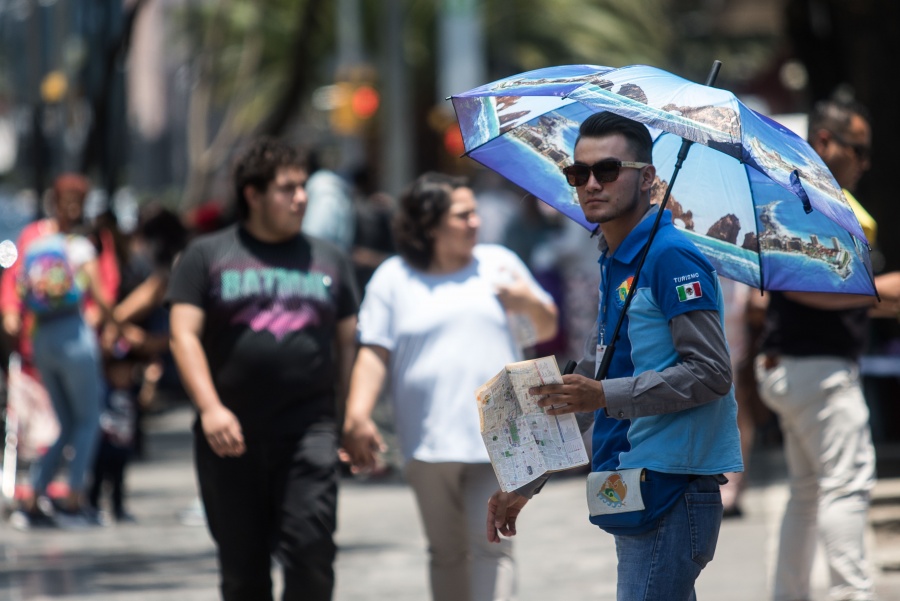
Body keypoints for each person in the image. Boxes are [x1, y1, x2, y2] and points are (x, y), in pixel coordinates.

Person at [485, 112, 743, 600]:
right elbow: (588, 377)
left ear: (647, 178)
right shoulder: (615, 260)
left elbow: (711, 374)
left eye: (607, 170)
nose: (590, 184)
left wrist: (603, 395)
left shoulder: (671, 258)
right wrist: (527, 481)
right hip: (633, 479)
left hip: (671, 487)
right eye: (577, 174)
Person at [341, 171, 559, 601]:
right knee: (445, 553)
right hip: (427, 439)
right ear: (429, 223)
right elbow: (373, 351)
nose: (475, 222)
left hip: (501, 439)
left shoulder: (499, 262)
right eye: (463, 215)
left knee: (493, 547)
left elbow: (547, 323)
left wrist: (526, 302)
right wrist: (357, 414)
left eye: (475, 212)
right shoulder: (393, 276)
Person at [167, 137, 358, 601]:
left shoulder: (328, 259)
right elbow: (182, 335)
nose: (301, 197)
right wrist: (211, 409)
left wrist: (353, 417)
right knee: (243, 570)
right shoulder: (206, 256)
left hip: (308, 429)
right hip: (229, 436)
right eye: (287, 188)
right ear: (252, 195)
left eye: (303, 187)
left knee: (311, 555)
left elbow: (349, 343)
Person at [754, 97, 900, 601]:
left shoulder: (807, 198)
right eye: (857, 148)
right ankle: (850, 594)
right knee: (846, 487)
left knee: (810, 494)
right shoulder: (805, 199)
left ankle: (790, 594)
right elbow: (790, 283)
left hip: (794, 365)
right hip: (816, 369)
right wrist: (879, 292)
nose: (864, 161)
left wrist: (872, 297)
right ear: (824, 143)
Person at [1, 173, 113, 529]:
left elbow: (13, 284)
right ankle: (73, 498)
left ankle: (34, 496)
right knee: (87, 420)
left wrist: (11, 317)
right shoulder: (84, 243)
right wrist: (119, 325)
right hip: (75, 336)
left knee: (64, 424)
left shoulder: (34, 239)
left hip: (40, 340)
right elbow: (104, 291)